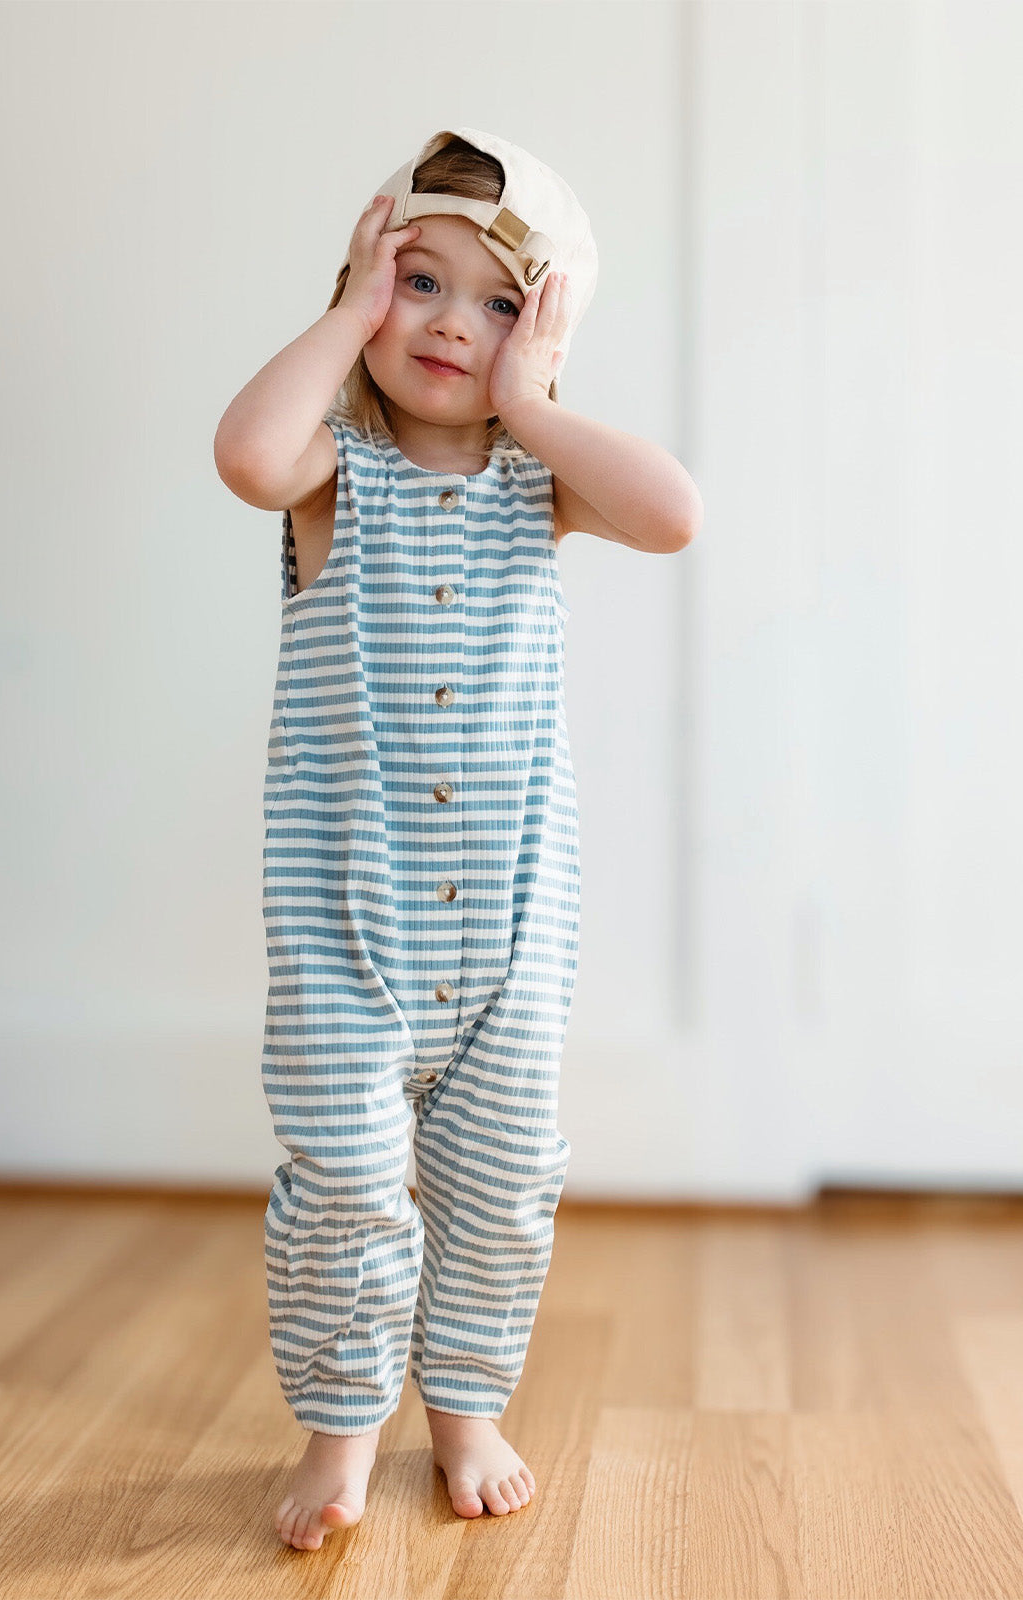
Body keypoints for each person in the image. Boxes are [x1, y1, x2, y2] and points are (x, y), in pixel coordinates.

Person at [214, 127, 703, 1551]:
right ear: (365, 293)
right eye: (419, 282)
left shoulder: (535, 490)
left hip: (506, 945)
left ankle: (469, 1411)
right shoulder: (329, 480)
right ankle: (341, 1430)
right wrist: (343, 314)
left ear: (544, 330)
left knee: (498, 1190)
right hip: (341, 939)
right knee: (347, 1190)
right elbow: (245, 452)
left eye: (500, 302)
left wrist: (534, 404)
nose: (448, 324)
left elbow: (675, 515)